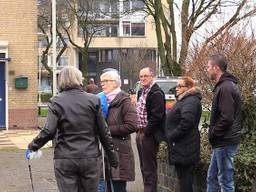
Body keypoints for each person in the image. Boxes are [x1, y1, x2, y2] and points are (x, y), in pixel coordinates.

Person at [26, 66, 118, 192]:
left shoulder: (56, 101)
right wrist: (112, 156)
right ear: (79, 79)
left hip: (65, 158)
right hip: (89, 157)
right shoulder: (93, 100)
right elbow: (104, 132)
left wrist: (33, 146)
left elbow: (48, 130)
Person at [206, 54, 242, 192]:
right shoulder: (224, 86)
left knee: (225, 181)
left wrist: (213, 133)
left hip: (225, 141)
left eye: (209, 67)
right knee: (212, 177)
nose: (207, 70)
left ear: (216, 68)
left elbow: (227, 118)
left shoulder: (226, 87)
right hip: (221, 142)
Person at [100, 69, 138, 192]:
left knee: (118, 188)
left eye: (106, 81)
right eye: (101, 81)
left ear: (115, 83)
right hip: (105, 151)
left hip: (120, 151)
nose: (102, 84)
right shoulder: (102, 101)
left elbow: (132, 125)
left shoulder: (125, 101)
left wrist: (106, 130)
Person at [165, 76, 202, 192]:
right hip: (182, 147)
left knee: (185, 181)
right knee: (183, 180)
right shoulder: (184, 100)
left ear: (189, 88)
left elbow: (186, 122)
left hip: (185, 147)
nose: (176, 88)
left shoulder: (190, 101)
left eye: (180, 86)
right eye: (177, 86)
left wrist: (171, 136)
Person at [136, 67, 165, 192]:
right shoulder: (142, 91)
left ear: (152, 76)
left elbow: (157, 116)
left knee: (149, 168)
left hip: (149, 135)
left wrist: (147, 132)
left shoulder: (156, 93)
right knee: (143, 167)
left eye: (145, 76)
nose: (143, 78)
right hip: (140, 132)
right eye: (141, 76)